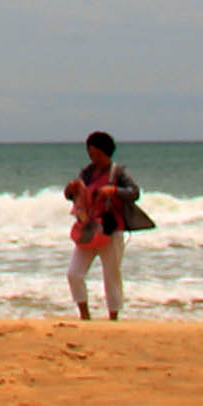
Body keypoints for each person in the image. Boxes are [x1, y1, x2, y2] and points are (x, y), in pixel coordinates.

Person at [63, 130, 140, 321]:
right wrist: (70, 189)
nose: (94, 158)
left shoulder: (118, 173)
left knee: (111, 275)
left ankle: (113, 317)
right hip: (88, 228)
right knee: (74, 273)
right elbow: (72, 196)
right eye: (91, 154)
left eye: (98, 154)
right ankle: (84, 314)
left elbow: (134, 192)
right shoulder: (87, 173)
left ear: (107, 153)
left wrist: (113, 191)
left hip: (111, 229)